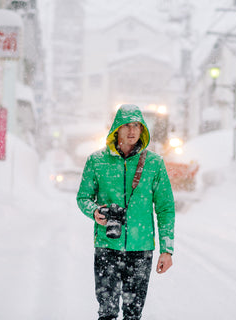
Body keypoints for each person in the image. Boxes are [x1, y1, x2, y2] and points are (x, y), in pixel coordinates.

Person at [76, 104, 175, 320]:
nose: (132, 131)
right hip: (107, 245)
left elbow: (165, 207)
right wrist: (95, 212)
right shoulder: (97, 161)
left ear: (142, 130)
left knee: (133, 314)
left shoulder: (154, 164)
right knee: (107, 312)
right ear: (116, 129)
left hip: (141, 249)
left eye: (137, 126)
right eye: (126, 126)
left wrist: (167, 249)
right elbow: (83, 197)